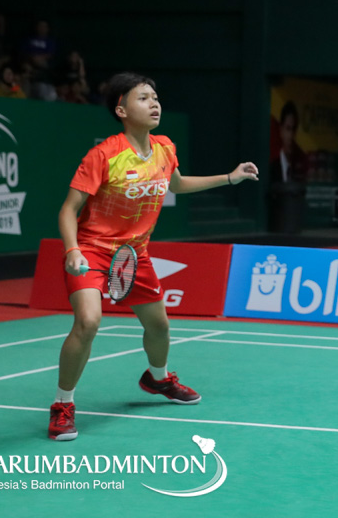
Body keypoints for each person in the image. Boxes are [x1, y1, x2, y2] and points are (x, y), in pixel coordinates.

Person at [49, 72, 259, 440]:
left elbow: (177, 184)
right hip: (92, 251)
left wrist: (230, 177)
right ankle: (63, 405)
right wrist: (72, 250)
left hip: (134, 254)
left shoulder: (164, 148)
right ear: (122, 110)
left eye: (155, 97)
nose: (154, 103)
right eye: (143, 98)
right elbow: (68, 209)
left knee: (159, 327)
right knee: (88, 322)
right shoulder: (104, 155)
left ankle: (157, 379)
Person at [270, 100, 307, 183]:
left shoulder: (300, 169)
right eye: (288, 129)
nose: (291, 135)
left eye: (294, 129)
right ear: (281, 130)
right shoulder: (271, 170)